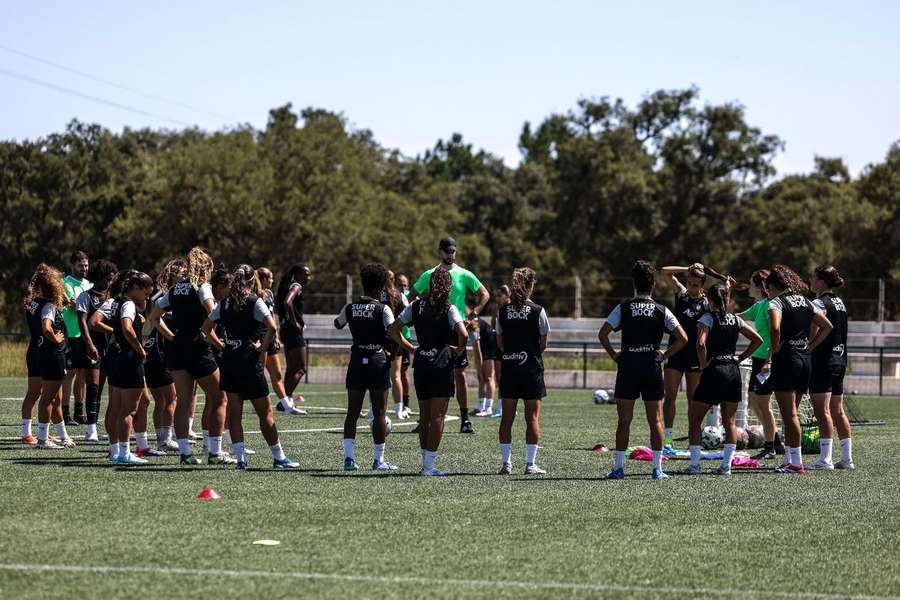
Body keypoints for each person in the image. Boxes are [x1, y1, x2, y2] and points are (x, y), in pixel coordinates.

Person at [202, 265, 299, 470]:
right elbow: (272, 327)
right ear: (250, 280)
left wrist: (223, 346)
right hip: (249, 362)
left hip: (229, 362)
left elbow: (205, 329)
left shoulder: (224, 303)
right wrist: (261, 348)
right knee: (266, 413)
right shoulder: (256, 301)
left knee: (235, 413)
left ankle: (240, 460)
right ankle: (279, 457)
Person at [598, 260, 688, 480]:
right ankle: (657, 469)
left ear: (634, 285)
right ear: (653, 286)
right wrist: (664, 355)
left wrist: (614, 355)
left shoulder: (623, 307)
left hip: (628, 366)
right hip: (651, 367)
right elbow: (683, 338)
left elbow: (603, 334)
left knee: (624, 419)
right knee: (656, 420)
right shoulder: (661, 310)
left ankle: (618, 468)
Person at [149, 247, 231, 465]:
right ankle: (215, 452)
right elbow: (215, 313)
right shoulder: (202, 287)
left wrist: (171, 337)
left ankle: (185, 453)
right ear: (205, 267)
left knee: (183, 402)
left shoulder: (175, 289)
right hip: (199, 348)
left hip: (177, 349)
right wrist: (221, 343)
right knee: (220, 397)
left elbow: (154, 317)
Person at [389, 267, 468, 476]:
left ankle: (426, 463)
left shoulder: (415, 305)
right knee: (437, 417)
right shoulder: (449, 308)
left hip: (422, 362)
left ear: (431, 284)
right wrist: (457, 351)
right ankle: (429, 467)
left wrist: (410, 348)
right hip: (441, 363)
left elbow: (392, 329)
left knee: (424, 417)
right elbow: (464, 334)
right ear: (448, 286)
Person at [410, 237, 489, 434]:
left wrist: (475, 312)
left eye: (453, 251)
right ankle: (424, 418)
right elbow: (414, 294)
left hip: (456, 330)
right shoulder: (429, 274)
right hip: (434, 330)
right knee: (427, 371)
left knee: (459, 374)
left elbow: (484, 294)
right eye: (447, 251)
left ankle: (465, 418)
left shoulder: (464, 274)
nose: (450, 254)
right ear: (440, 252)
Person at [684, 284, 763, 475]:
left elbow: (700, 343)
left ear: (709, 300)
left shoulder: (707, 318)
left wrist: (703, 364)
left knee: (694, 421)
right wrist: (741, 357)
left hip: (714, 371)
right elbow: (758, 340)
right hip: (733, 371)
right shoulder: (735, 319)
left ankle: (694, 466)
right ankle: (726, 466)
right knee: (730, 422)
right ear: (727, 300)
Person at [766, 265, 834, 474]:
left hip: (787, 360)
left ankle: (795, 463)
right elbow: (828, 326)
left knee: (789, 415)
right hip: (805, 361)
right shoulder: (805, 301)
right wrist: (810, 346)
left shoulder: (776, 302)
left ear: (771, 286)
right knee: (792, 413)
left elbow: (775, 327)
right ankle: (789, 459)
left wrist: (775, 347)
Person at [335, 263, 399, 472]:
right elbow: (393, 331)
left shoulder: (350, 307)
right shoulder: (383, 309)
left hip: (357, 360)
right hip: (377, 360)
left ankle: (348, 459)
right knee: (379, 412)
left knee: (352, 412)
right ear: (380, 288)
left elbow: (338, 323)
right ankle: (378, 461)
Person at [660, 263, 728, 450]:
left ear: (703, 285)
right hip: (675, 353)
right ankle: (667, 440)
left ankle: (693, 439)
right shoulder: (681, 294)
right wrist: (686, 269)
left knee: (694, 400)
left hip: (696, 357)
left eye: (695, 285)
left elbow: (725, 306)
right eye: (689, 283)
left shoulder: (707, 303)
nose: (691, 287)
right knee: (670, 396)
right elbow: (664, 272)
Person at [496, 268, 550, 475]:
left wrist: (513, 354)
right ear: (531, 286)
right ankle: (530, 464)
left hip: (509, 368)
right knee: (532, 418)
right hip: (531, 370)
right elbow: (543, 343)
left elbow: (500, 342)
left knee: (507, 418)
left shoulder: (502, 311)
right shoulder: (538, 310)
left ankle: (506, 464)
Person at [105, 270, 154, 464]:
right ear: (135, 288)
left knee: (116, 408)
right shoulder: (128, 305)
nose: (147, 297)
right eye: (146, 292)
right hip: (128, 358)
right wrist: (140, 349)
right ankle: (125, 453)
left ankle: (115, 451)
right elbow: (126, 327)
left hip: (115, 357)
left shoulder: (115, 302)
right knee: (128, 411)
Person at [808, 265, 854, 470]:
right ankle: (846, 459)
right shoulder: (840, 302)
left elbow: (818, 329)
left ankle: (825, 459)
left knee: (822, 410)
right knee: (837, 410)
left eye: (813, 277)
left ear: (822, 282)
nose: (810, 280)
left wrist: (809, 347)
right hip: (840, 359)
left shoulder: (819, 302)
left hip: (823, 361)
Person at [738, 269, 784, 459]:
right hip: (757, 359)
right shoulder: (759, 305)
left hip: (766, 359)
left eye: (751, 282)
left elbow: (776, 332)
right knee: (756, 402)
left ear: (759, 286)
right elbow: (738, 316)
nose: (748, 286)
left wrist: (769, 359)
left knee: (764, 404)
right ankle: (776, 441)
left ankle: (771, 447)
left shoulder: (770, 305)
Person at [30, 264, 73, 449]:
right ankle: (42, 439)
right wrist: (55, 338)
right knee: (48, 398)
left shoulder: (36, 302)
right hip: (53, 355)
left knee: (56, 398)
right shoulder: (48, 305)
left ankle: (63, 436)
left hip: (45, 354)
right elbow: (46, 327)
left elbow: (64, 302)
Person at [75, 259, 118, 442]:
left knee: (114, 388)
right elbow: (83, 321)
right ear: (98, 277)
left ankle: (109, 427)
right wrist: (90, 344)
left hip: (113, 347)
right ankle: (91, 428)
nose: (110, 281)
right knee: (94, 387)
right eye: (107, 278)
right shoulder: (86, 296)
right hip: (94, 347)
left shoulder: (113, 297)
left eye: (112, 278)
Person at [144, 259, 184, 452]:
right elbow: (155, 321)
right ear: (172, 274)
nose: (184, 276)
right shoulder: (165, 295)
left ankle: (162, 439)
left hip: (155, 347)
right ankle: (166, 438)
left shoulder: (171, 294)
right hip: (160, 348)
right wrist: (172, 338)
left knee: (162, 398)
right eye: (181, 273)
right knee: (170, 396)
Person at [274, 264, 311, 415]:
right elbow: (287, 303)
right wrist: (295, 322)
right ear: (298, 274)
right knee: (301, 368)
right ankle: (284, 400)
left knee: (291, 368)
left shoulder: (285, 285)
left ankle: (286, 400)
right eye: (306, 274)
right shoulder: (296, 286)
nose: (308, 277)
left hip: (285, 330)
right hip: (292, 331)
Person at [257, 267, 292, 416]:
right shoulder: (255, 294)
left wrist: (276, 335)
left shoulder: (270, 294)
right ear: (263, 279)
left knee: (276, 374)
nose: (272, 281)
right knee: (257, 373)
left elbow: (271, 315)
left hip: (270, 336)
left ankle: (287, 406)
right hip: (258, 337)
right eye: (270, 278)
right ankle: (257, 402)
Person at [61, 251, 91, 425]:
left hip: (85, 334)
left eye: (86, 265)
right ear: (73, 265)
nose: (84, 268)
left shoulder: (89, 284)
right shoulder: (66, 283)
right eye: (81, 265)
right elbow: (74, 305)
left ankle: (79, 411)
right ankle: (65, 412)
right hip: (71, 333)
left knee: (82, 374)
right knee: (69, 374)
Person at [490, 285, 511, 418]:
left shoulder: (511, 308)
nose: (497, 298)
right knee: (499, 377)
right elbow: (494, 325)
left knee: (507, 377)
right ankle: (500, 406)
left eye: (499, 296)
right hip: (498, 345)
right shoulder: (499, 309)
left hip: (508, 345)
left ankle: (507, 407)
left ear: (507, 295)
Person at [395, 274, 414, 418]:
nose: (403, 288)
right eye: (400, 284)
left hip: (405, 338)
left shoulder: (407, 297)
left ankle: (406, 405)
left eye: (405, 285)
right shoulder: (391, 295)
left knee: (403, 373)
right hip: (391, 338)